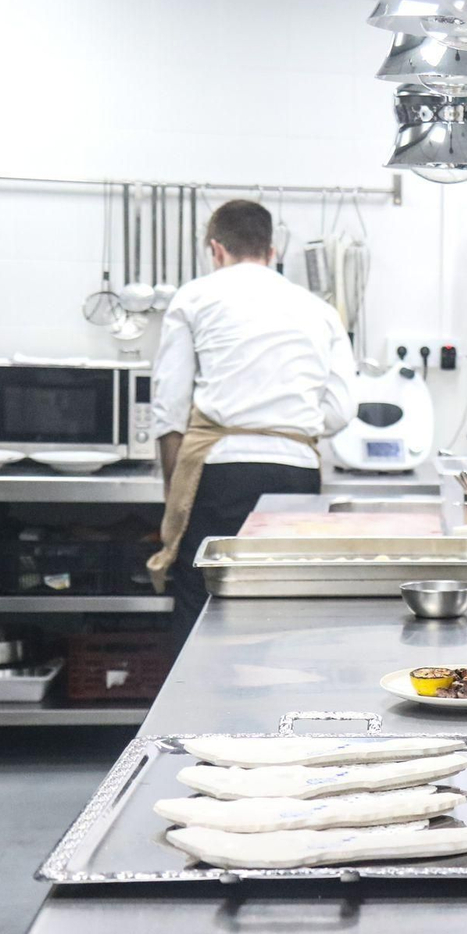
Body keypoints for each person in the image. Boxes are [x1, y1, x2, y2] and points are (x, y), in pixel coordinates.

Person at [147, 199, 357, 642]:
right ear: (272, 251)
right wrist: (286, 423)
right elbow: (341, 410)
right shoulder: (319, 310)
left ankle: (198, 688)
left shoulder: (194, 297)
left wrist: (172, 494)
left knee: (205, 598)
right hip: (296, 474)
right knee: (284, 599)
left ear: (216, 250)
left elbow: (170, 409)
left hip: (220, 473)